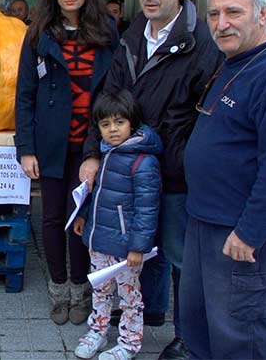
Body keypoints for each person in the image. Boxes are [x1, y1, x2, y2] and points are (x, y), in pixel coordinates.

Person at [82, 0, 222, 360]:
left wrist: (185, 161)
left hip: (175, 168)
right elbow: (106, 101)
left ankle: (189, 336)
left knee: (179, 254)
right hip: (128, 166)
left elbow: (205, 115)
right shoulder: (130, 38)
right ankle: (149, 314)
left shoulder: (201, 45)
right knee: (137, 246)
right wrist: (93, 153)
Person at [181, 0, 266, 359]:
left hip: (241, 238)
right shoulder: (234, 63)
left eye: (233, 12)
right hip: (205, 224)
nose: (222, 23)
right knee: (200, 326)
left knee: (241, 337)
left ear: (263, 14)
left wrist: (250, 232)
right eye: (214, 14)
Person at [14, 0, 116, 326]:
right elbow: (24, 94)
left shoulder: (107, 32)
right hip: (51, 143)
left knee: (81, 219)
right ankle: (59, 290)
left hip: (90, 144)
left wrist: (97, 151)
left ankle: (81, 288)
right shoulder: (39, 34)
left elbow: (113, 92)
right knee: (54, 217)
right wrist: (25, 148)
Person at [72, 90, 161, 360]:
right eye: (105, 124)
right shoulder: (106, 154)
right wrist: (84, 215)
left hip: (125, 250)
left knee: (130, 298)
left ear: (131, 123)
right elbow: (99, 192)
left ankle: (129, 342)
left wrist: (138, 247)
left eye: (119, 122)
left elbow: (148, 210)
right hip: (99, 240)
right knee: (100, 291)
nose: (113, 129)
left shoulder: (144, 162)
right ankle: (97, 332)